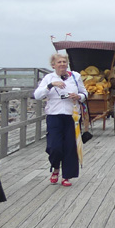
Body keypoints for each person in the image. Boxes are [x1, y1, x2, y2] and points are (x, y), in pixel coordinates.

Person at [33, 53, 88, 186]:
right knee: (54, 146)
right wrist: (51, 85)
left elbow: (85, 93)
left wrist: (78, 96)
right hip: (54, 115)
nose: (62, 64)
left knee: (70, 146)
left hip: (72, 116)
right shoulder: (49, 78)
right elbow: (37, 95)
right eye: (59, 62)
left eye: (64, 62)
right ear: (53, 65)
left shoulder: (75, 76)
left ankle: (66, 176)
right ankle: (56, 168)